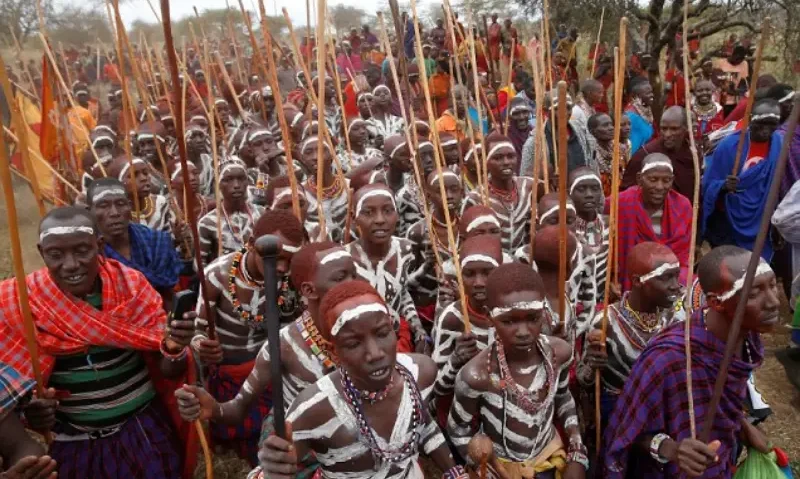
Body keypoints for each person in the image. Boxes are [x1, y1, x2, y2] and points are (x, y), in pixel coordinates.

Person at [0, 206, 195, 478]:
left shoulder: (132, 288)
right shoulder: (21, 300)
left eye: (82, 251)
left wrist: (175, 346)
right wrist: (34, 408)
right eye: (56, 254)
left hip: (143, 432)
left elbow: (167, 368)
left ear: (99, 246)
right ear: (41, 252)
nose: (70, 265)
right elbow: (14, 390)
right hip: (74, 443)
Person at [176, 241, 357, 478]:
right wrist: (213, 408)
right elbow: (238, 408)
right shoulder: (284, 345)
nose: (355, 284)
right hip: (301, 456)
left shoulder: (369, 327)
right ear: (309, 290)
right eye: (341, 277)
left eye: (356, 274)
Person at [255, 280, 468, 479]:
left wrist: (454, 471)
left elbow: (423, 424)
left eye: (382, 333)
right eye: (354, 343)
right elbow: (278, 466)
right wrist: (272, 470)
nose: (374, 353)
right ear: (334, 351)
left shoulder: (421, 372)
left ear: (394, 331)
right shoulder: (314, 409)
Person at [603, 245, 776, 478]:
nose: (774, 302)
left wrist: (742, 426)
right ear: (716, 303)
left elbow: (724, 400)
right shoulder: (668, 357)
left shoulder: (747, 336)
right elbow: (625, 432)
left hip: (720, 459)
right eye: (754, 294)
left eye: (773, 286)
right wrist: (671, 449)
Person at [448, 262, 588, 478]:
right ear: (489, 317)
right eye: (509, 321)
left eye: (533, 318)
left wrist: (576, 446)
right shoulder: (477, 375)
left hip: (548, 460)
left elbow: (562, 396)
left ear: (544, 312)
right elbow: (458, 431)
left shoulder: (558, 353)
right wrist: (485, 468)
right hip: (499, 467)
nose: (523, 332)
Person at [190, 209, 304, 464]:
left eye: (289, 260)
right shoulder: (218, 274)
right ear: (251, 244)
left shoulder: (289, 279)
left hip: (270, 372)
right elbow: (198, 330)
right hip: (229, 372)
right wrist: (202, 345)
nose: (282, 267)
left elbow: (292, 330)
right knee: (235, 439)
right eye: (275, 258)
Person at [578, 242, 683, 437]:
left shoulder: (675, 320)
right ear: (637, 281)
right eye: (666, 278)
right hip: (619, 416)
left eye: (676, 276)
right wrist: (593, 365)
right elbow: (584, 382)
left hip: (664, 412)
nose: (675, 286)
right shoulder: (606, 322)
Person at [346, 183, 430, 353]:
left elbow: (401, 293)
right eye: (368, 212)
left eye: (387, 210)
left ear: (397, 215)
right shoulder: (345, 260)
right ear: (354, 218)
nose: (380, 220)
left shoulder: (405, 249)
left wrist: (418, 330)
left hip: (399, 338)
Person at [430, 234, 502, 424]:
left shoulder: (510, 313)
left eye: (487, 272)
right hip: (463, 415)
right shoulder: (453, 317)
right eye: (469, 274)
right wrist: (456, 360)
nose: (478, 282)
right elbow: (436, 388)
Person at [702, 99, 783, 261]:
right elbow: (708, 185)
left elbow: (777, 183)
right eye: (761, 124)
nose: (766, 130)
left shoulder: (778, 144)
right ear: (751, 119)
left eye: (772, 125)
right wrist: (723, 186)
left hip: (761, 218)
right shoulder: (730, 146)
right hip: (729, 221)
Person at [87, 178, 182, 307]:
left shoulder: (156, 241)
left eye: (120, 204)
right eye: (103, 206)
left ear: (130, 206)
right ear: (89, 211)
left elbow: (169, 294)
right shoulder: (87, 253)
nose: (114, 213)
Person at [616, 153, 692, 291]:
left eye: (666, 180)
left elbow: (683, 254)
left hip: (672, 277)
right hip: (630, 279)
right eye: (653, 179)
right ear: (639, 179)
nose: (659, 187)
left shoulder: (682, 205)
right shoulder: (620, 203)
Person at [406, 169, 463, 323]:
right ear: (429, 196)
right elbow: (406, 284)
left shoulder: (467, 228)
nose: (449, 196)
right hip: (427, 313)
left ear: (462, 193)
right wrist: (426, 267)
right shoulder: (418, 232)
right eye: (441, 191)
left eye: (454, 190)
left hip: (463, 309)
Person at [463, 132, 533, 253]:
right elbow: (466, 241)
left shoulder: (529, 187)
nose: (506, 162)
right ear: (486, 162)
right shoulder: (476, 199)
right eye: (498, 158)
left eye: (511, 156)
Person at [198, 157, 265, 266]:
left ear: (248, 181)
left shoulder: (262, 215)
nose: (236, 185)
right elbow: (199, 265)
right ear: (218, 184)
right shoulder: (207, 223)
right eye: (228, 180)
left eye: (241, 178)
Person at [622, 106, 697, 200]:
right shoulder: (646, 154)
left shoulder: (693, 152)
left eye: (674, 129)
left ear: (686, 128)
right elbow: (627, 195)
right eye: (664, 129)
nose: (667, 134)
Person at [521, 90, 594, 176]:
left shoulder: (581, 132)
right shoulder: (534, 143)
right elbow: (525, 180)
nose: (565, 113)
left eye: (568, 108)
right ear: (545, 111)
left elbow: (591, 165)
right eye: (558, 109)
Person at [299, 135, 350, 243]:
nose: (315, 156)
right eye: (308, 152)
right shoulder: (300, 193)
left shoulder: (349, 187)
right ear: (303, 160)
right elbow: (259, 199)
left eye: (322, 150)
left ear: (332, 154)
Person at [106, 155, 173, 233]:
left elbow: (168, 239)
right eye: (134, 175)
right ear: (118, 184)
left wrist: (178, 238)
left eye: (145, 173)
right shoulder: (115, 215)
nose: (143, 178)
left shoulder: (160, 203)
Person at [587, 113, 631, 195]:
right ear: (593, 132)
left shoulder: (621, 149)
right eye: (605, 125)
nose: (611, 128)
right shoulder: (590, 155)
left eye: (611, 124)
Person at [365, 85, 406, 149]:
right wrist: (375, 145)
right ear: (373, 102)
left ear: (391, 99)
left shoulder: (400, 121)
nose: (382, 95)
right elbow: (365, 148)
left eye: (386, 93)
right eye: (378, 94)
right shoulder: (367, 124)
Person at [716, 45, 750, 117]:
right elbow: (716, 81)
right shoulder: (721, 63)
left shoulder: (744, 64)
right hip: (720, 100)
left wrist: (737, 91)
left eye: (741, 60)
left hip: (735, 102)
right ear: (733, 55)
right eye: (737, 59)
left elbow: (744, 82)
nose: (739, 62)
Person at [625, 78, 655, 154]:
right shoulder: (631, 117)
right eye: (647, 93)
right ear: (636, 96)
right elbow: (633, 148)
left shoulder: (646, 111)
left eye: (651, 92)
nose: (652, 95)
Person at [692, 79, 726, 144]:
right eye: (700, 91)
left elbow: (720, 133)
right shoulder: (690, 112)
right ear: (694, 93)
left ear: (712, 91)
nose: (704, 93)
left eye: (707, 90)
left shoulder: (719, 110)